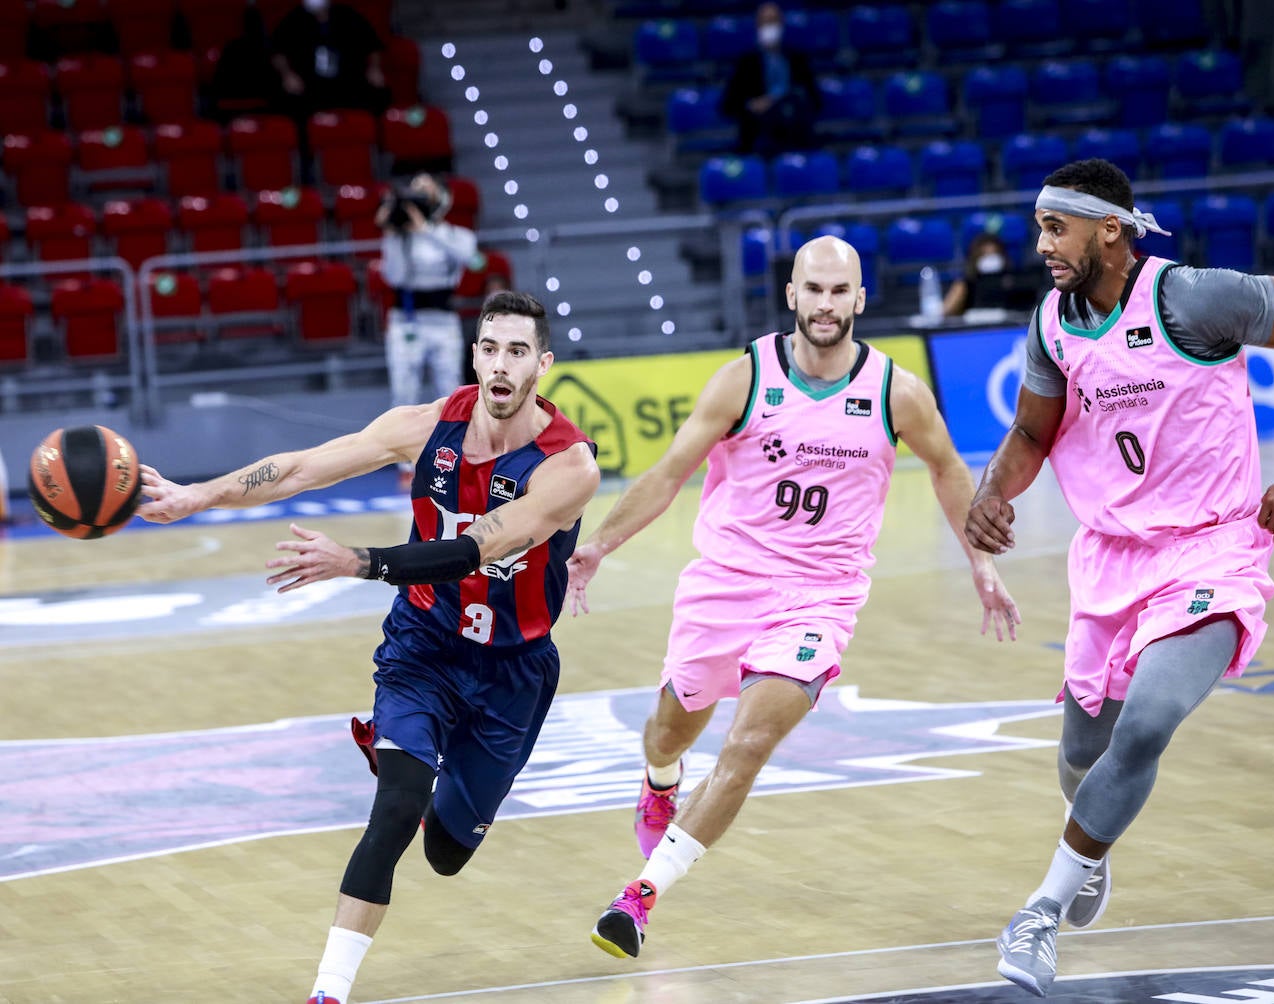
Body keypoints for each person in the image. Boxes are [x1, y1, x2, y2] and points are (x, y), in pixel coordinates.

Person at [134, 291, 601, 1004]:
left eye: (516, 352)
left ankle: (413, 763)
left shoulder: (568, 467)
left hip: (514, 672)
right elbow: (299, 468)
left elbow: (477, 549)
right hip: (423, 646)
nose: (500, 367)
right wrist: (198, 496)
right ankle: (329, 991)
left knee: (445, 853)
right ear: (473, 354)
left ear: (544, 364)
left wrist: (360, 562)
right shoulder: (424, 427)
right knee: (396, 809)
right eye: (489, 348)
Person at [565, 235, 1022, 960]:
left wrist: (981, 561)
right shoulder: (743, 377)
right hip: (726, 583)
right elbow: (669, 471)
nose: (826, 304)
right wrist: (600, 543)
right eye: (814, 290)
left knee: (748, 743)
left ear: (860, 300)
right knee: (671, 730)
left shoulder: (896, 391)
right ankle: (659, 784)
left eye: (840, 292)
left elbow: (946, 470)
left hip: (820, 598)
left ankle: (640, 898)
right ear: (792, 295)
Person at [963, 159, 1274, 998]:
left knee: (1148, 726)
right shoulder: (1053, 324)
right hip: (1111, 559)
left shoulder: (1193, 298)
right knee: (1079, 757)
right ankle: (1090, 843)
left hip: (1213, 549)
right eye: (1038, 228)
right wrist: (993, 492)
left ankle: (1039, 912)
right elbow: (1032, 433)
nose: (1041, 246)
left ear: (1108, 229)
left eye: (1054, 228)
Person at [374, 173, 480, 486]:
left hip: (443, 320)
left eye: (426, 191)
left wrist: (425, 229)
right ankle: (407, 464)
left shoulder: (458, 235)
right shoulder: (399, 236)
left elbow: (468, 259)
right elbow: (394, 276)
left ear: (441, 199)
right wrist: (397, 231)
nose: (419, 197)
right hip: (406, 318)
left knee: (450, 391)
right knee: (404, 392)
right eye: (414, 191)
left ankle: (457, 458)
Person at [718, 2, 821, 156]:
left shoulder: (798, 59)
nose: (770, 27)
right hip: (759, 128)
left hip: (795, 124)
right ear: (757, 26)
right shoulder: (746, 63)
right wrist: (752, 104)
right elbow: (728, 104)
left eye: (773, 21)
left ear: (781, 24)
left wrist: (782, 99)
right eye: (765, 22)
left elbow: (815, 99)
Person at [271, 0, 388, 121]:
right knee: (288, 100)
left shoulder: (348, 15)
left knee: (379, 95)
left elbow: (372, 45)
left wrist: (374, 68)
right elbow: (278, 52)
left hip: (348, 80)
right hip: (309, 83)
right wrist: (287, 74)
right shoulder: (293, 19)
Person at [940, 231, 1044, 319]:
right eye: (985, 255)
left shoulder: (1015, 282)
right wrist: (960, 291)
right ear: (975, 258)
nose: (990, 259)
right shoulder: (966, 284)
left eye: (994, 254)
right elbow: (945, 313)